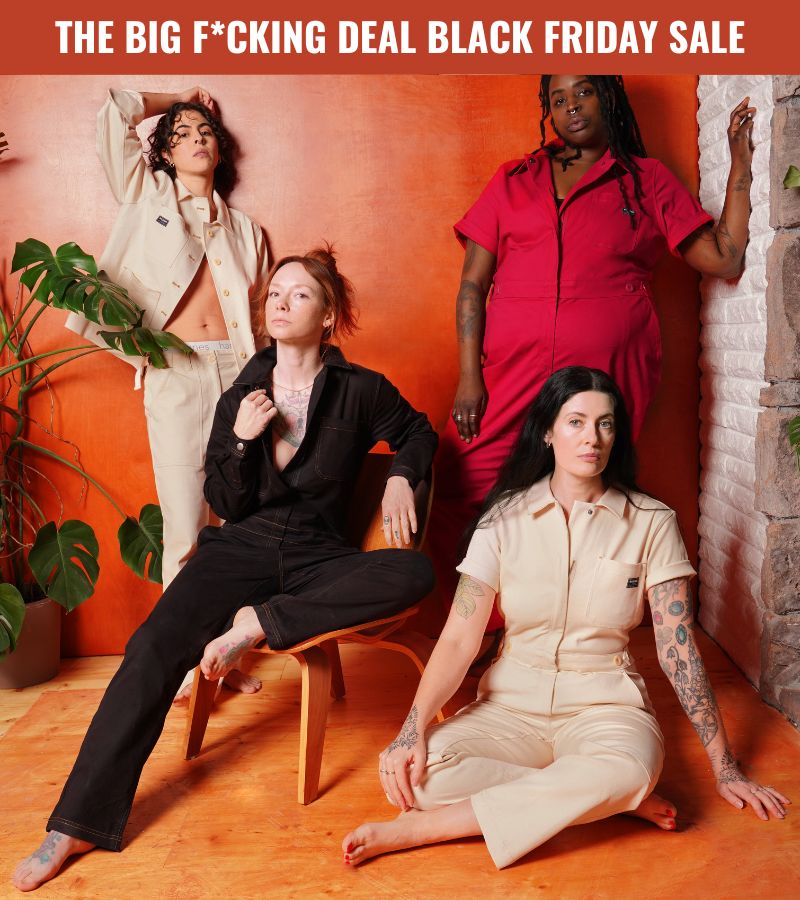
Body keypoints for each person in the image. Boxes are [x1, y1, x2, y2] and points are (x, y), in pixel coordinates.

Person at [12, 248, 438, 892]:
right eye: (275, 294)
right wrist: (241, 438)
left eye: (300, 294)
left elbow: (420, 433)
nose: (282, 302)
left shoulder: (361, 389)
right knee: (153, 646)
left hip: (320, 553)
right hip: (240, 547)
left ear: (328, 317)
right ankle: (73, 824)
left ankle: (257, 624)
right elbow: (229, 503)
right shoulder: (240, 393)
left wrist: (403, 476)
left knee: (412, 575)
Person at [342, 366, 788, 870]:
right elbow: (458, 639)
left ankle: (430, 827)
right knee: (420, 773)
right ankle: (606, 802)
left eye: (606, 424)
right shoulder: (501, 520)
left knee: (629, 767)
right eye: (575, 421)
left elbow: (678, 650)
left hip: (605, 707)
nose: (592, 438)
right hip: (510, 707)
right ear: (547, 431)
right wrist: (412, 728)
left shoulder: (652, 522)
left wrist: (725, 768)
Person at [429, 75, 756, 630]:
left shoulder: (644, 180)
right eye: (557, 99)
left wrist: (740, 161)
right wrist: (468, 377)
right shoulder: (513, 180)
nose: (570, 107)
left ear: (609, 99)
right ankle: (484, 632)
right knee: (462, 482)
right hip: (509, 373)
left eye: (582, 92)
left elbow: (723, 259)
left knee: (589, 501)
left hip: (607, 373)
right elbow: (470, 287)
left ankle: (576, 634)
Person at [66, 86, 271, 695]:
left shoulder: (246, 231)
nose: (196, 138)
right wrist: (177, 98)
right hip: (176, 373)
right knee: (184, 523)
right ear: (163, 152)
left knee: (238, 522)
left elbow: (258, 317)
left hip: (238, 374)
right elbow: (112, 112)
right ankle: (181, 662)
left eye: (205, 130)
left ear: (221, 149)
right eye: (180, 133)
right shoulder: (145, 194)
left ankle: (222, 658)